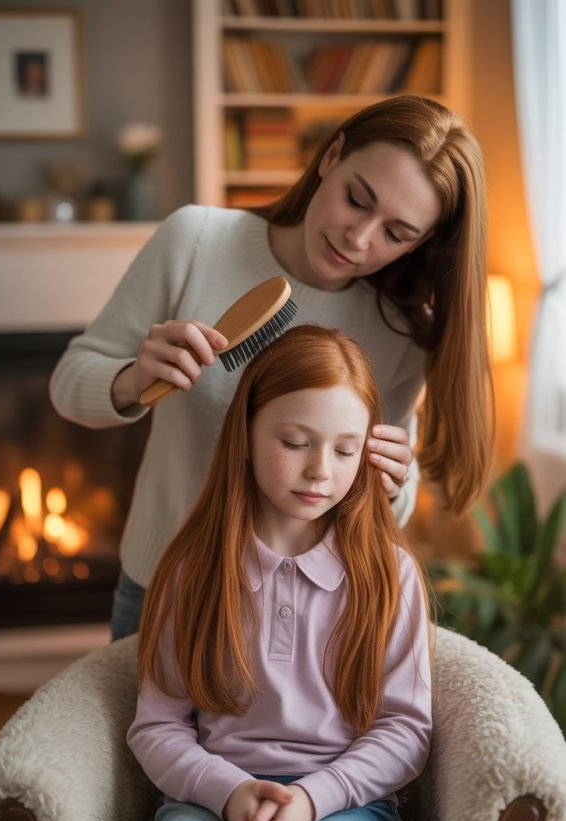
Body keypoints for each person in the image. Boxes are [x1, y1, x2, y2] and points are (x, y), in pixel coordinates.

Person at [49, 94, 492, 640]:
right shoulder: (196, 241)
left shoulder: (401, 330)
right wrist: (133, 380)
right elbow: (69, 384)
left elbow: (384, 508)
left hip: (302, 613)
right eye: (357, 199)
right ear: (331, 156)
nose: (359, 238)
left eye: (395, 233)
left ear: (422, 243)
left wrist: (393, 482)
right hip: (164, 592)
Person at [92, 325, 432, 821]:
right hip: (211, 799)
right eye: (294, 441)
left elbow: (405, 730)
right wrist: (230, 792)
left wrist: (311, 799)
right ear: (245, 434)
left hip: (343, 807)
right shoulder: (192, 570)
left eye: (344, 449)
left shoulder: (389, 575)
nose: (319, 472)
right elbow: (157, 725)